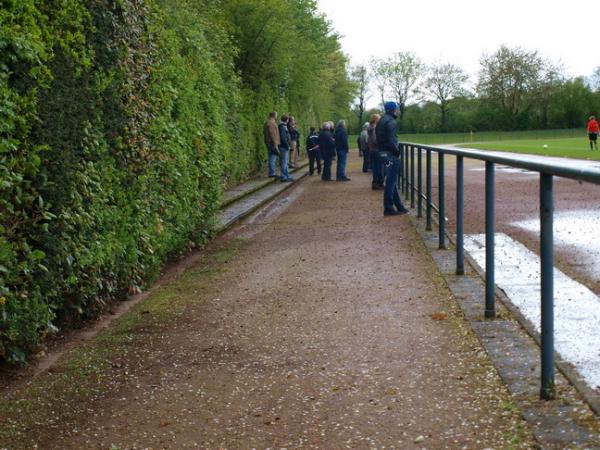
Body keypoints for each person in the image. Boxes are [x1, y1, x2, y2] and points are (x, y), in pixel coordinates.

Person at [376, 102, 409, 216]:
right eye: (396, 109)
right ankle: (388, 208)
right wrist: (397, 152)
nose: (398, 111)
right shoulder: (391, 121)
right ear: (393, 110)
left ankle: (399, 206)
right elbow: (391, 141)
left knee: (391, 180)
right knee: (391, 181)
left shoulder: (381, 120)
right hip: (390, 154)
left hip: (383, 154)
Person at [368, 114, 384, 190]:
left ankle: (375, 183)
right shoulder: (374, 128)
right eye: (379, 119)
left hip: (372, 150)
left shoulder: (370, 127)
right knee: (379, 168)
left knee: (375, 167)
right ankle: (378, 183)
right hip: (377, 150)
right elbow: (375, 140)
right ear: (376, 120)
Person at [263, 111, 280, 177]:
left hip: (269, 142)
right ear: (274, 116)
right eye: (276, 115)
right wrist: (275, 144)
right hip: (272, 143)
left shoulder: (267, 123)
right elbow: (272, 134)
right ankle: (272, 173)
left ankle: (272, 172)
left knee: (272, 157)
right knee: (272, 158)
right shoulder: (271, 123)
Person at [278, 115, 294, 182]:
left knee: (285, 162)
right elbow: (283, 137)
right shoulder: (282, 127)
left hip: (284, 147)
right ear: (287, 120)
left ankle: (287, 176)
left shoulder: (284, 126)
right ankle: (283, 176)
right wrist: (287, 145)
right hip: (284, 147)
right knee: (284, 162)